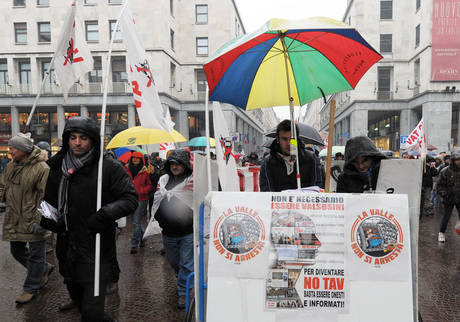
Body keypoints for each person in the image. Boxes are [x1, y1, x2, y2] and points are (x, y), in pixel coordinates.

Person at [40, 117, 137, 321]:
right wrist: (48, 218)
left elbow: (129, 198)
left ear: (93, 140)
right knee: (80, 300)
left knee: (92, 312)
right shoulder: (56, 168)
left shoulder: (109, 168)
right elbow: (47, 200)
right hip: (67, 247)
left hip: (96, 247)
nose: (77, 143)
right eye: (73, 137)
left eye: (83, 138)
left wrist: (104, 215)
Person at [0, 133, 53, 304]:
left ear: (23, 149)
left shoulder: (42, 168)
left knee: (37, 256)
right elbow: (3, 185)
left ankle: (31, 288)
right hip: (15, 217)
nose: (10, 151)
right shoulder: (11, 165)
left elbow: (47, 197)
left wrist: (40, 221)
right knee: (16, 251)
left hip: (34, 220)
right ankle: (43, 270)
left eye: (12, 148)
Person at [152, 149, 194, 309]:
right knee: (174, 262)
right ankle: (182, 280)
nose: (175, 166)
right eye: (172, 163)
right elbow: (155, 200)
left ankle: (184, 292)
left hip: (187, 231)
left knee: (186, 263)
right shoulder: (163, 180)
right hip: (168, 232)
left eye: (178, 163)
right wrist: (160, 219)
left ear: (184, 165)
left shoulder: (191, 181)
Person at [260, 120, 322, 191]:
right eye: (284, 139)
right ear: (278, 139)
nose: (288, 143)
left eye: (292, 139)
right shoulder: (268, 162)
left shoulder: (311, 158)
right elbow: (266, 190)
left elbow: (318, 187)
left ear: (297, 139)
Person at [124, 151, 152, 254]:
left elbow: (149, 185)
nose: (134, 159)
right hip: (130, 198)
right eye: (133, 158)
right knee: (136, 222)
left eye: (137, 158)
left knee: (136, 222)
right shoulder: (126, 169)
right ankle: (143, 236)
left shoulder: (145, 171)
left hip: (141, 199)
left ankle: (134, 244)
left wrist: (142, 190)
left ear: (141, 160)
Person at [436, 149, 460, 243]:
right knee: (446, 217)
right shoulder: (445, 171)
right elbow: (439, 186)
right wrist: (445, 194)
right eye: (457, 159)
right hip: (449, 199)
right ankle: (441, 233)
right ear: (453, 160)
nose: (459, 161)